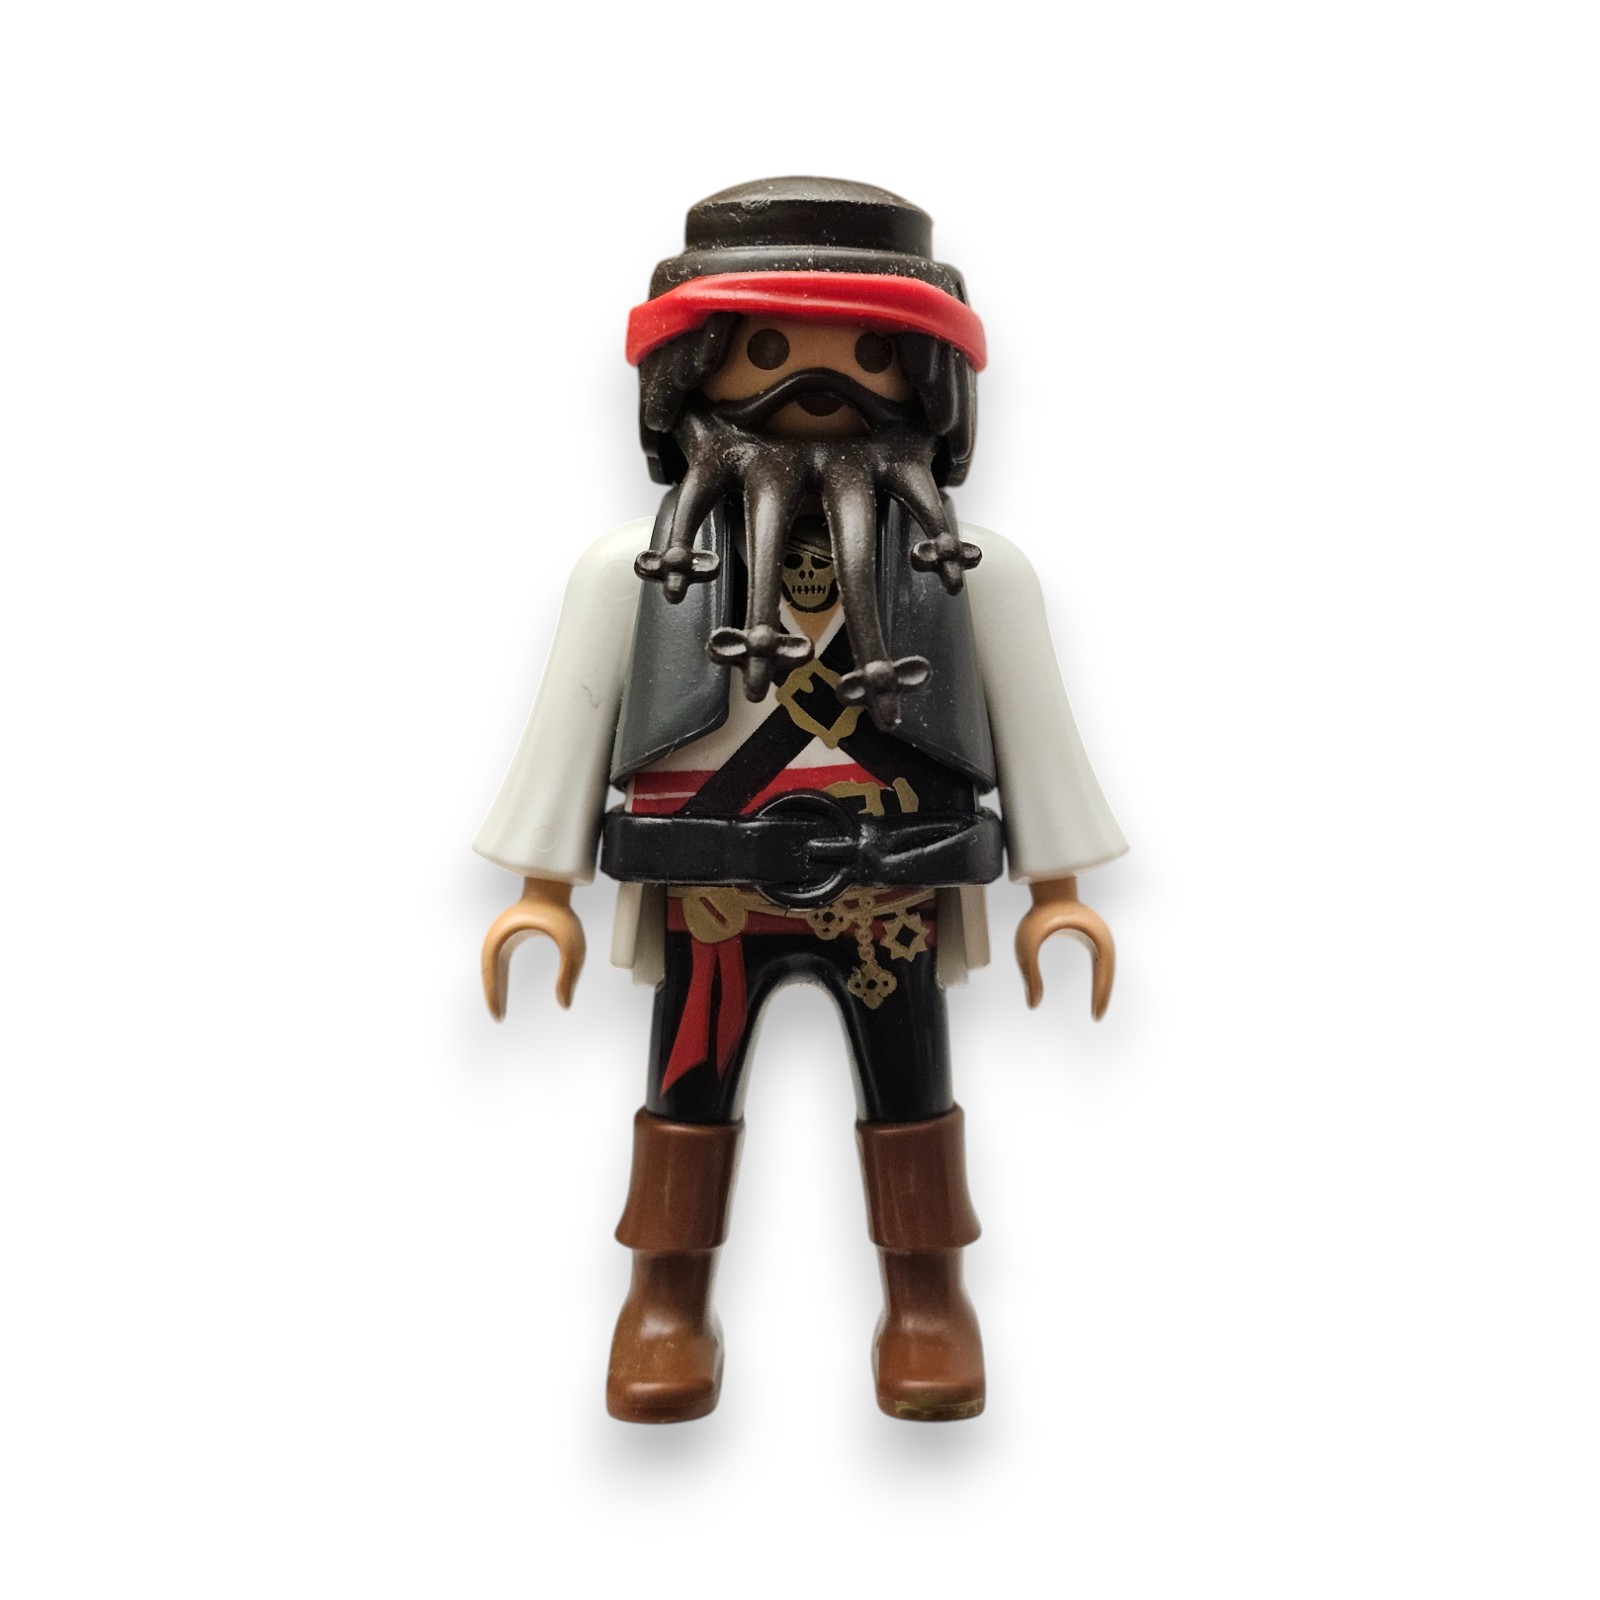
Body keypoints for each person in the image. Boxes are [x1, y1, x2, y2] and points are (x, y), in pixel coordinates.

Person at [474, 177, 1126, 1423]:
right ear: (694, 372)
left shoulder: (971, 575)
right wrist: (540, 889)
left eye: (867, 356)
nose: (816, 387)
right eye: (767, 351)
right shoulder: (640, 571)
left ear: (926, 384)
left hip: (891, 892)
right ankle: (665, 1302)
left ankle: (926, 1301)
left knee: (912, 1095)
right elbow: (569, 724)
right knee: (686, 1093)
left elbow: (1036, 731)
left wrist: (1059, 890)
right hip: (709, 891)